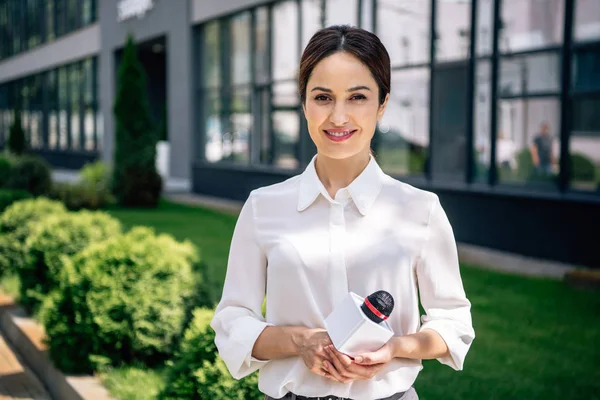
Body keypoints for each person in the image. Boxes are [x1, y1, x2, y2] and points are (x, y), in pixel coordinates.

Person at [211, 25, 475, 400]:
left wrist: (395, 348)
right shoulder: (262, 207)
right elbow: (232, 322)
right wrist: (300, 342)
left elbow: (453, 323)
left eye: (357, 97)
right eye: (322, 97)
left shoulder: (421, 210)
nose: (338, 116)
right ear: (304, 104)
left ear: (382, 105)